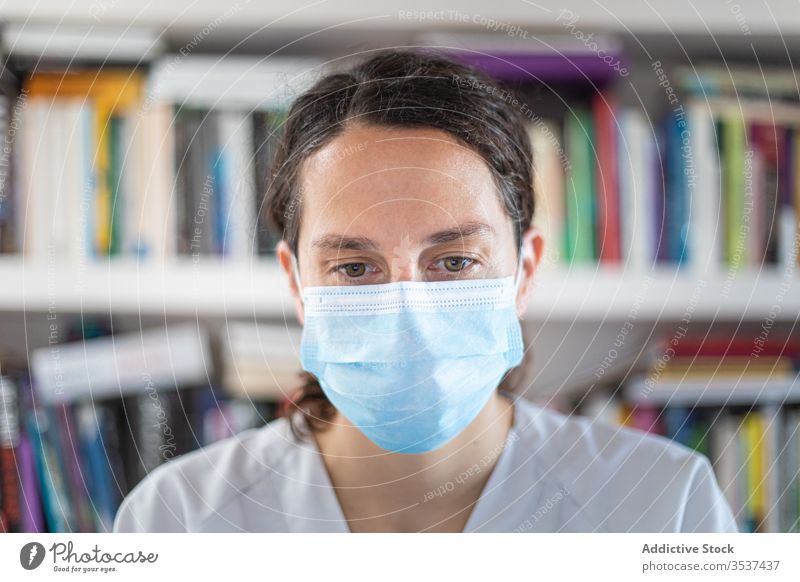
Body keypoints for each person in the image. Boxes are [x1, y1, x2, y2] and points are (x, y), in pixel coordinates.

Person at [113, 49, 737, 533]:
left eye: (455, 260)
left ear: (524, 270)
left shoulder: (664, 502)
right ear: (296, 283)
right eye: (354, 268)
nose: (409, 312)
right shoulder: (177, 520)